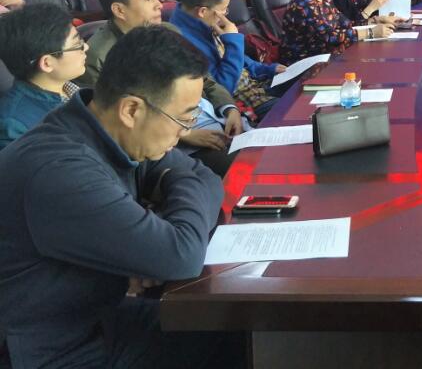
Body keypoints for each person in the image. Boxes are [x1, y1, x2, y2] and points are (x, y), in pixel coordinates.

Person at [0, 26, 242, 368]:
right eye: (182, 118)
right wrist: (160, 238)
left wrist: (157, 232)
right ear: (131, 109)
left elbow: (204, 178)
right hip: (54, 349)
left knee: (237, 329)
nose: (184, 131)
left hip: (99, 318)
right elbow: (181, 255)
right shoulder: (59, 169)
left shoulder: (109, 129)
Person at [80, 0, 244, 177]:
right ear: (120, 10)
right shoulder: (97, 56)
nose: (159, 4)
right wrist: (186, 134)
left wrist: (230, 109)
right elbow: (110, 120)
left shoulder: (168, 31)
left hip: (207, 119)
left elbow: (206, 80)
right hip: (163, 144)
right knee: (242, 167)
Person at [170, 0, 285, 115]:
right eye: (223, 9)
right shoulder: (181, 41)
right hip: (241, 103)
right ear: (202, 11)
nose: (225, 14)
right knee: (298, 113)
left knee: (303, 85)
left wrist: (267, 69)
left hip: (257, 86)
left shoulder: (203, 21)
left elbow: (237, 58)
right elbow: (223, 89)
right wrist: (233, 41)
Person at [0, 3, 87, 149]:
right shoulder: (15, 126)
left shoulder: (76, 90)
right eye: (77, 44)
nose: (86, 47)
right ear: (47, 63)